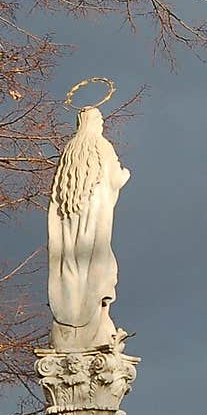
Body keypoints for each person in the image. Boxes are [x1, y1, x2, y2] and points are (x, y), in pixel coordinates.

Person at [47, 105, 131, 351]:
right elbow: (113, 178)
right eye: (100, 120)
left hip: (69, 225)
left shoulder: (70, 150)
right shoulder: (102, 146)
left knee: (71, 264)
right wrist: (123, 177)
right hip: (95, 221)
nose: (103, 123)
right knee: (97, 265)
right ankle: (91, 319)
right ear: (95, 122)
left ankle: (71, 317)